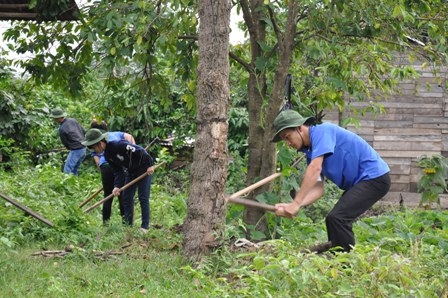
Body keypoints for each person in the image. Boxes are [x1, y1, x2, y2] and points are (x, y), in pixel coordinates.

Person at [271, 109, 391, 252]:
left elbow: (315, 168)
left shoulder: (322, 132)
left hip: (374, 177)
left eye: (287, 137)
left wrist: (296, 203)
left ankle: (345, 265)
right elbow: (318, 189)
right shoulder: (312, 152)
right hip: (360, 182)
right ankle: (337, 258)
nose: (288, 143)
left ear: (299, 128)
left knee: (338, 218)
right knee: (333, 220)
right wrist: (295, 205)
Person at [82, 128, 155, 233]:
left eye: (93, 147)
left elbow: (140, 150)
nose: (94, 151)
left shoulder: (118, 145)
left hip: (144, 169)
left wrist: (150, 164)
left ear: (101, 143)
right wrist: (117, 186)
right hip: (131, 172)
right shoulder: (107, 155)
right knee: (126, 197)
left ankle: (144, 227)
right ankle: (128, 226)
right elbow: (118, 171)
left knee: (143, 197)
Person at [88, 120, 136, 225]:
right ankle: (126, 223)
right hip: (118, 165)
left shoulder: (93, 141)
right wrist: (133, 150)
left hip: (105, 167)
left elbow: (97, 161)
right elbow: (129, 137)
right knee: (122, 195)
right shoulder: (114, 135)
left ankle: (105, 223)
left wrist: (105, 175)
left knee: (107, 196)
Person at [50, 107, 86, 175]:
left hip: (76, 150)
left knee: (67, 170)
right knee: (74, 168)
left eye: (54, 118)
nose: (54, 120)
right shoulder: (73, 120)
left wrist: (69, 147)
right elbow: (83, 131)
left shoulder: (62, 128)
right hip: (83, 148)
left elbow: (65, 142)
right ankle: (75, 184)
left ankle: (67, 185)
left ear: (58, 118)